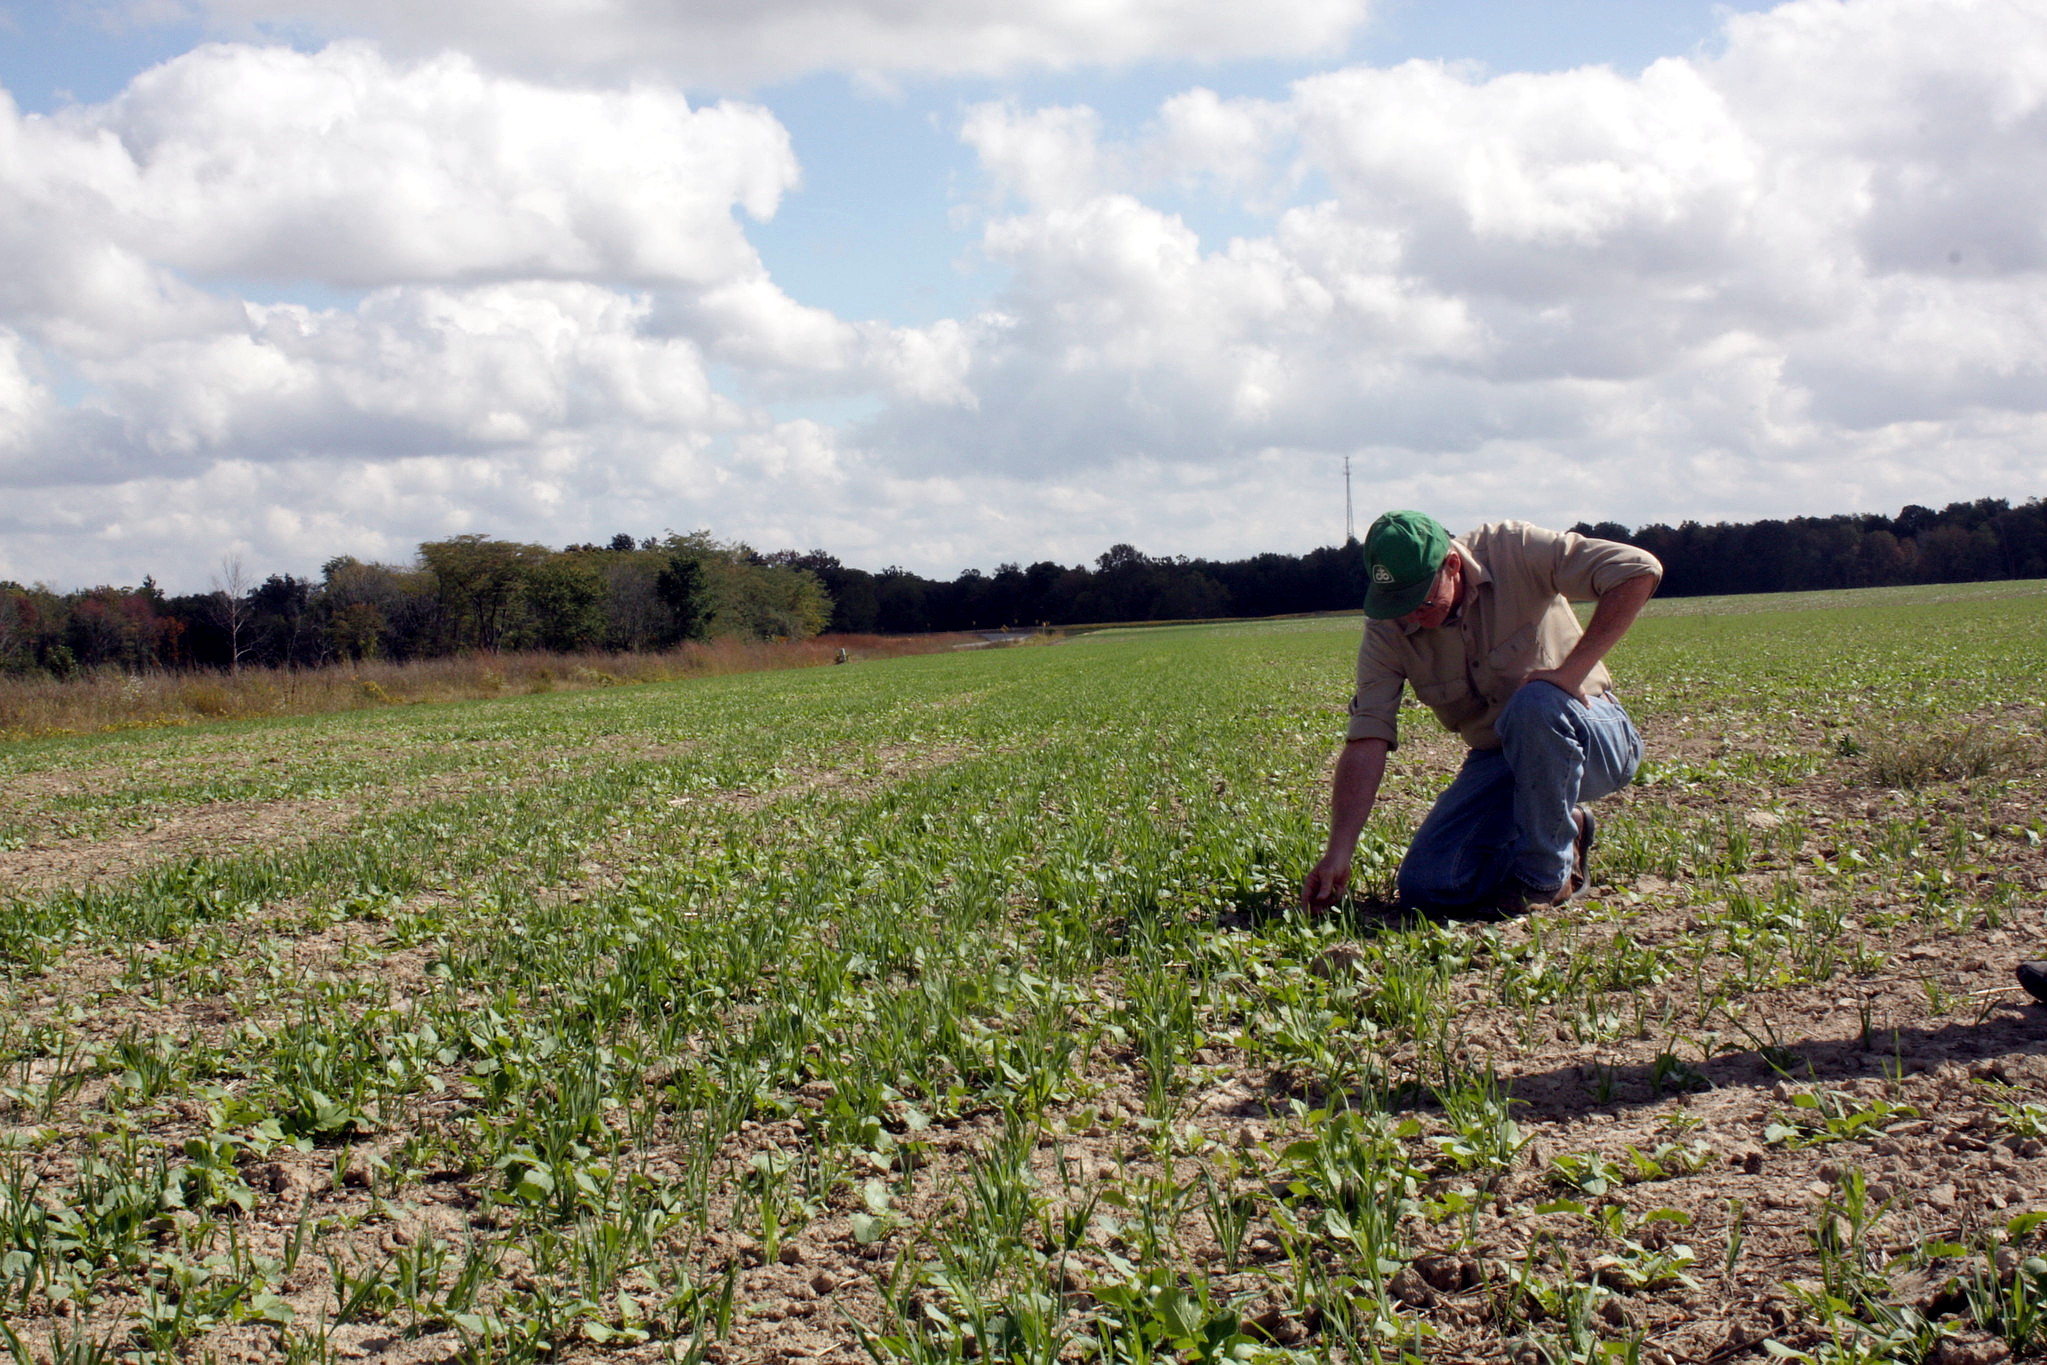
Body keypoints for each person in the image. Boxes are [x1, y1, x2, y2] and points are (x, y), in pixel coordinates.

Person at [1301, 511, 1662, 917]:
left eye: (1419, 601)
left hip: (1593, 736)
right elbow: (1368, 737)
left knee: (1536, 702)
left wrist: (1570, 673)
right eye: (1394, 603)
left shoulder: (1513, 549)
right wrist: (1338, 853)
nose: (1408, 616)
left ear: (1452, 566)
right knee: (1429, 886)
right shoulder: (1387, 629)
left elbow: (1637, 571)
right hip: (1502, 757)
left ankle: (1544, 878)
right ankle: (1567, 828)